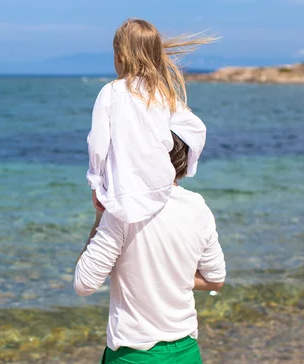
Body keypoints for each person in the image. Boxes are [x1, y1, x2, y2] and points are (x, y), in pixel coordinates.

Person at [75, 132, 226, 364]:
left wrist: (100, 214)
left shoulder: (123, 212)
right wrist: (172, 276)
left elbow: (84, 283)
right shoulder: (197, 207)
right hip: (187, 359)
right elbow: (215, 280)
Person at [87, 18, 215, 223]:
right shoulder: (162, 94)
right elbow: (196, 129)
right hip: (161, 188)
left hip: (122, 193)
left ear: (119, 56)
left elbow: (97, 144)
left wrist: (95, 183)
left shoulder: (110, 92)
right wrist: (183, 169)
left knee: (95, 245)